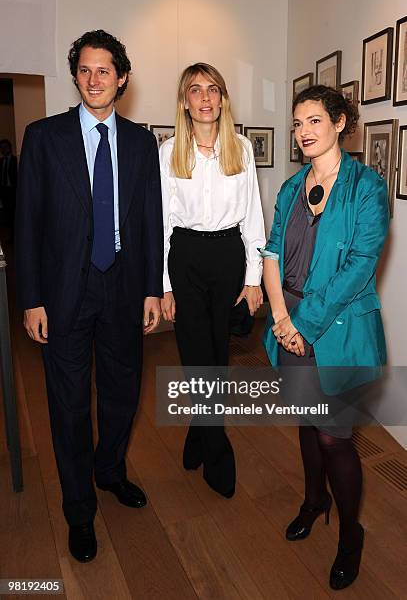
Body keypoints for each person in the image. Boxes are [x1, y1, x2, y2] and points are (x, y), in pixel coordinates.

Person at [15, 30, 163, 562]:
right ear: (75, 76)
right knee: (70, 405)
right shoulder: (43, 137)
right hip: (63, 293)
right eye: (85, 70)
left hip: (124, 286)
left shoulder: (143, 143)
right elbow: (26, 223)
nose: (94, 79)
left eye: (105, 70)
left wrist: (151, 288)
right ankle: (79, 509)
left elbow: (150, 221)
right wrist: (31, 298)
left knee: (123, 394)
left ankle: (109, 471)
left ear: (122, 78)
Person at [261, 85, 389, 590]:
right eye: (297, 123)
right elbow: (271, 253)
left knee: (335, 437)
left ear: (339, 123)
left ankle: (350, 536)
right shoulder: (291, 188)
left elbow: (360, 267)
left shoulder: (366, 186)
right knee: (306, 421)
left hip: (338, 331)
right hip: (286, 319)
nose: (303, 132)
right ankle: (314, 502)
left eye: (314, 120)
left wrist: (301, 324)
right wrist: (278, 316)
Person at [160, 63, 265, 498]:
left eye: (213, 89)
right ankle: (217, 450)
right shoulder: (167, 153)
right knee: (194, 356)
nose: (205, 98)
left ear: (222, 98)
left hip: (227, 257)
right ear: (184, 101)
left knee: (217, 357)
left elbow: (254, 216)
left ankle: (197, 432)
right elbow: (162, 225)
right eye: (195, 90)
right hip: (184, 256)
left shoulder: (240, 148)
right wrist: (163, 284)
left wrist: (254, 277)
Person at [0, 138, 18, 238]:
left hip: (13, 191)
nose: (3, 150)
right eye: (1, 148)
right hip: (4, 191)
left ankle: (15, 235)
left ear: (10, 148)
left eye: (5, 147)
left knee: (14, 214)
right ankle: (11, 235)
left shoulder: (15, 160)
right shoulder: (1, 161)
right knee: (8, 215)